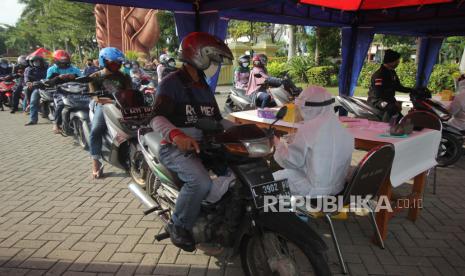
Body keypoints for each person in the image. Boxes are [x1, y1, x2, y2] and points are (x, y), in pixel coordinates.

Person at [151, 32, 233, 252]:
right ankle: (179, 225)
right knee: (201, 182)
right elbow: (156, 117)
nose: (215, 65)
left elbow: (217, 120)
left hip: (206, 145)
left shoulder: (203, 86)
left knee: (237, 171)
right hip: (175, 147)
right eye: (214, 60)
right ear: (198, 56)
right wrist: (177, 136)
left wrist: (242, 130)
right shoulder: (171, 84)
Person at [273, 86, 354, 197]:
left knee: (271, 181)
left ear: (307, 107)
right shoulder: (344, 129)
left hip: (314, 191)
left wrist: (278, 144)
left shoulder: (308, 129)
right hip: (338, 187)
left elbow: (292, 162)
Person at [88, 47, 132, 178]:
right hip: (104, 106)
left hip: (122, 105)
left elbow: (130, 92)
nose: (117, 66)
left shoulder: (124, 76)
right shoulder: (94, 77)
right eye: (114, 63)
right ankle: (95, 161)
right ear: (104, 62)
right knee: (96, 130)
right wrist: (107, 101)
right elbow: (95, 97)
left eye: (119, 63)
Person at [367, 49, 414, 121]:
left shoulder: (392, 72)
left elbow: (398, 87)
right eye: (397, 61)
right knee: (391, 109)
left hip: (387, 99)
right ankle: (384, 127)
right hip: (376, 101)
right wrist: (393, 102)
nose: (398, 62)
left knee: (398, 116)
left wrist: (412, 90)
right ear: (391, 61)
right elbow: (379, 93)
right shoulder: (380, 74)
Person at [46, 50, 82, 133]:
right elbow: (48, 82)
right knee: (61, 104)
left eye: (66, 61)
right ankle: (56, 124)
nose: (64, 63)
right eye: (62, 62)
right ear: (56, 61)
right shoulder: (52, 69)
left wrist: (75, 76)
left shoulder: (74, 69)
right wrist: (59, 77)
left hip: (75, 91)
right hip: (59, 91)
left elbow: (83, 79)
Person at [24, 55, 48, 125]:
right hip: (38, 88)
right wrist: (28, 82)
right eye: (34, 61)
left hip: (49, 87)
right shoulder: (30, 69)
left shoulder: (47, 68)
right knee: (33, 102)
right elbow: (27, 77)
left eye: (37, 61)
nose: (36, 63)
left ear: (41, 62)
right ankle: (33, 120)